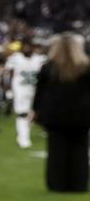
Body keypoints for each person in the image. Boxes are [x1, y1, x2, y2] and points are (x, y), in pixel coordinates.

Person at [33, 33, 90, 192]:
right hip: (82, 116)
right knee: (80, 150)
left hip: (54, 116)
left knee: (56, 150)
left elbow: (40, 93)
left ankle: (57, 184)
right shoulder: (86, 67)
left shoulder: (48, 67)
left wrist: (36, 112)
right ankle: (78, 184)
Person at [4, 39, 45, 149]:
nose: (26, 49)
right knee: (22, 113)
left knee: (32, 114)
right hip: (20, 90)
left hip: (35, 90)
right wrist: (8, 89)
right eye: (24, 47)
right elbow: (7, 74)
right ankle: (23, 138)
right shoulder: (15, 58)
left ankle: (23, 135)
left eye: (29, 47)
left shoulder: (39, 59)